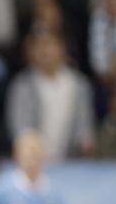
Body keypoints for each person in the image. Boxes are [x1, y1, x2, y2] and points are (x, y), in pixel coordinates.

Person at [6, 30, 96, 160]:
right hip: (35, 163)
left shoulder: (79, 84)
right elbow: (19, 127)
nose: (45, 51)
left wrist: (85, 142)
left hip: (71, 163)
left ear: (62, 49)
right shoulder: (22, 85)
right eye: (40, 46)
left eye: (50, 45)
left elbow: (84, 124)